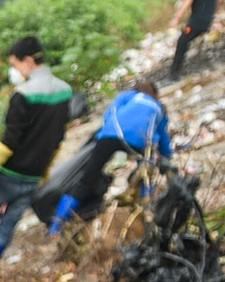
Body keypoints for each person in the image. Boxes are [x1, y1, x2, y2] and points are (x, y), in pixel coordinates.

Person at [0, 36, 72, 275]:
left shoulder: (22, 94)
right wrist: (45, 169)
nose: (14, 71)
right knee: (7, 227)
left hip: (8, 175)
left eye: (14, 65)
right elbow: (58, 137)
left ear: (27, 61)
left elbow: (10, 139)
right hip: (33, 177)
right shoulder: (65, 91)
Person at [48, 78, 173, 231]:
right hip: (139, 141)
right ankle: (147, 210)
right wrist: (168, 158)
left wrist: (107, 133)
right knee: (145, 175)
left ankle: (56, 226)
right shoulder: (159, 107)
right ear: (155, 94)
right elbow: (164, 142)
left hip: (110, 134)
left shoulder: (127, 96)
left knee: (86, 181)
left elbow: (109, 115)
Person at [169, 0, 220, 77]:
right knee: (192, 40)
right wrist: (212, 13)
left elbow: (188, 1)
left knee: (182, 41)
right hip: (208, 20)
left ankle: (174, 73)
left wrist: (177, 18)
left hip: (196, 22)